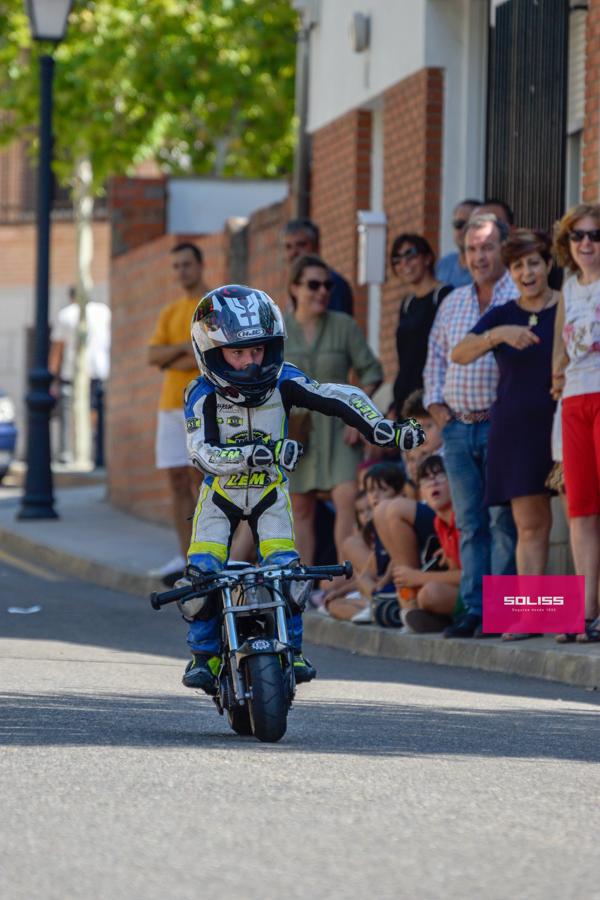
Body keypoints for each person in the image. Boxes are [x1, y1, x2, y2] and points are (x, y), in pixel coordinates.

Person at [180, 284, 425, 691]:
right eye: (237, 353)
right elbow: (200, 453)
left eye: (258, 350)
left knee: (288, 574)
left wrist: (382, 429)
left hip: (269, 494)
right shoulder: (199, 394)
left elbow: (333, 393)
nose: (250, 363)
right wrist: (251, 455)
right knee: (201, 575)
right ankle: (202, 656)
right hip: (219, 496)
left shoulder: (282, 379)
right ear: (210, 351)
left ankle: (292, 652)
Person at [452, 230, 558, 640]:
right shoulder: (503, 313)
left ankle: (584, 613)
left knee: (586, 522)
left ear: (549, 264)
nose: (527, 272)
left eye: (534, 262)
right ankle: (534, 616)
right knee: (529, 527)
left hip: (565, 421)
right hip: (516, 429)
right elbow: (459, 353)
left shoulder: (568, 305)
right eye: (518, 266)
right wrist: (499, 334)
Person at [423, 212, 519, 637]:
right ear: (463, 256)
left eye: (487, 247)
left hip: (502, 426)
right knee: (469, 523)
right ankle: (475, 610)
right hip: (459, 429)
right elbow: (435, 363)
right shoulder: (452, 302)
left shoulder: (518, 295)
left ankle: (503, 613)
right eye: (472, 249)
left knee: (502, 521)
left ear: (503, 247)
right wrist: (438, 411)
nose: (480, 256)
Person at [285, 254, 384, 565]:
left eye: (327, 285)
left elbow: (371, 372)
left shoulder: (344, 326)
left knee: (346, 499)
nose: (322, 291)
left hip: (340, 429)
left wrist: (359, 414)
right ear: (294, 288)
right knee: (300, 508)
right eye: (313, 285)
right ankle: (303, 584)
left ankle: (342, 581)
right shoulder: (279, 330)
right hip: (298, 432)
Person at [551, 203, 600, 643]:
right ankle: (584, 612)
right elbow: (559, 354)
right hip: (574, 400)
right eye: (578, 236)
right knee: (580, 509)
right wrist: (557, 378)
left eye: (595, 235)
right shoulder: (568, 286)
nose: (586, 243)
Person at [148, 242, 207, 583]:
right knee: (176, 481)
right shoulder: (170, 312)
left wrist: (178, 356)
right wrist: (186, 347)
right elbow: (153, 356)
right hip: (170, 404)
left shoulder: (211, 306)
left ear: (200, 265)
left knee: (202, 478)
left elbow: (208, 355)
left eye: (186, 264)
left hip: (202, 404)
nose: (181, 271)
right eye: (176, 266)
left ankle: (207, 554)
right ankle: (184, 557)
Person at [394, 455, 463, 633]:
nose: (433, 483)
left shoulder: (463, 519)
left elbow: (469, 577)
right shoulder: (440, 523)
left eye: (440, 475)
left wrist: (418, 577)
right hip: (468, 593)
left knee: (430, 593)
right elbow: (454, 570)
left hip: (494, 596)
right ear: (421, 493)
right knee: (410, 591)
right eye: (426, 479)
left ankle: (449, 620)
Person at [390, 233, 453, 418]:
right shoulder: (407, 304)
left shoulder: (443, 295)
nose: (405, 264)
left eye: (411, 255)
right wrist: (394, 405)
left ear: (427, 258)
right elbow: (404, 359)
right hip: (406, 400)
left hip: (433, 398)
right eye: (397, 260)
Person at [49, 285, 111, 467]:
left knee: (69, 414)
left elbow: (57, 350)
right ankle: (99, 455)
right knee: (97, 413)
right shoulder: (104, 312)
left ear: (71, 298)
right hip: (100, 371)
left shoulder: (66, 314)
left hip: (72, 373)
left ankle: (67, 454)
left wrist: (52, 377)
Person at [283, 218, 353, 315]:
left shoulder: (331, 283)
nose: (293, 252)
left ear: (316, 247)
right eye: (288, 247)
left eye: (301, 245)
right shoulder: (294, 282)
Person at [435, 199, 481, 288]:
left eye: (472, 224)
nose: (465, 230)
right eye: (459, 224)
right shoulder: (444, 265)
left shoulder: (490, 266)